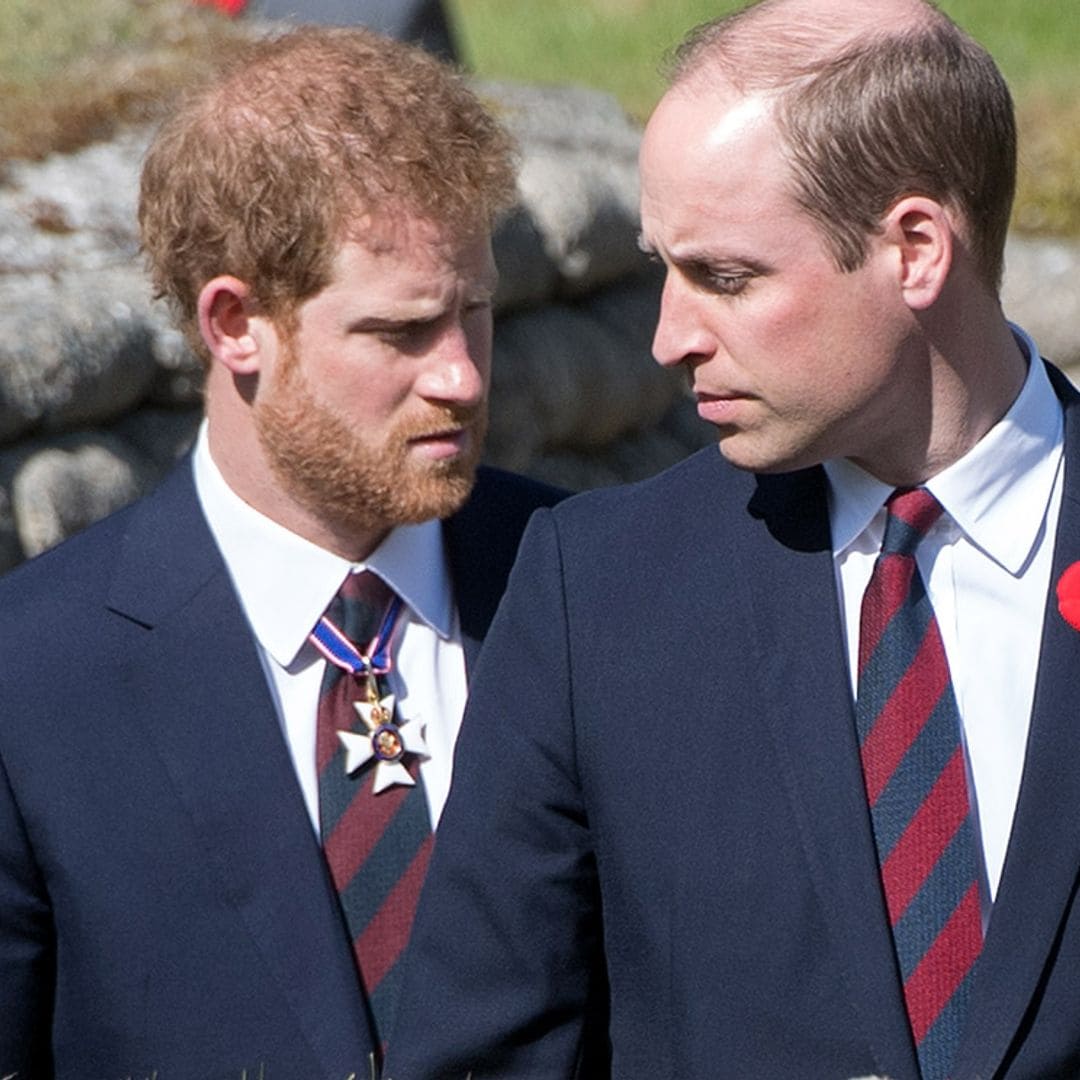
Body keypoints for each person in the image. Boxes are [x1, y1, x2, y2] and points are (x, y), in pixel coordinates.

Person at [384, 1, 1080, 1077]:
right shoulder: (598, 594)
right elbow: (486, 1048)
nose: (669, 338)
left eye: (726, 278)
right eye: (662, 267)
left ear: (915, 248)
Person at [0, 26, 564, 1078]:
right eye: (401, 332)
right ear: (236, 324)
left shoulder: (588, 588)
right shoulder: (33, 682)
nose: (462, 378)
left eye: (474, 315)